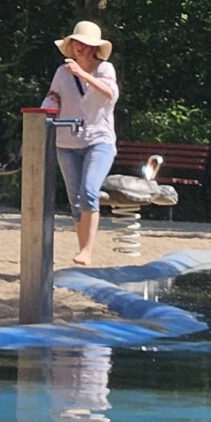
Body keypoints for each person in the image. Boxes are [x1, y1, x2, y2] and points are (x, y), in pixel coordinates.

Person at [42, 20, 120, 265]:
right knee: (76, 199)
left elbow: (110, 94)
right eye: (77, 42)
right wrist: (43, 113)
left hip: (100, 140)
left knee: (88, 190)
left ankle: (88, 250)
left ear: (95, 48)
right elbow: (53, 98)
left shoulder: (105, 69)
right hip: (66, 143)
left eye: (86, 44)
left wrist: (83, 74)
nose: (80, 47)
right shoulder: (61, 72)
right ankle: (82, 250)